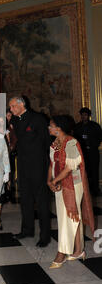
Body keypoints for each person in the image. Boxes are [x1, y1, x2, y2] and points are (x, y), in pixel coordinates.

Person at [48, 115, 95, 269]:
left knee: (68, 216)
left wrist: (56, 181)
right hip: (59, 183)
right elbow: (52, 163)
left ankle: (62, 252)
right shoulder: (55, 143)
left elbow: (70, 166)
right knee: (71, 216)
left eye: (51, 125)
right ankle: (78, 250)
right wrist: (50, 180)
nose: (49, 128)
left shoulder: (71, 142)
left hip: (73, 184)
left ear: (59, 128)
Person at [9, 96, 51, 247]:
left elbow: (47, 141)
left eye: (13, 106)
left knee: (41, 202)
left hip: (38, 165)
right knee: (25, 199)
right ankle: (27, 230)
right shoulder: (14, 120)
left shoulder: (38, 119)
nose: (11, 109)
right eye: (10, 107)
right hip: (22, 165)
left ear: (22, 105)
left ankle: (45, 236)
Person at [74, 107, 102, 197]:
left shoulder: (95, 126)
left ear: (88, 116)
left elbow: (99, 138)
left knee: (94, 171)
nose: (83, 117)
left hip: (93, 152)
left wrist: (92, 145)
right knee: (84, 172)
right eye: (82, 115)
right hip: (82, 153)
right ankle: (85, 190)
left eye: (85, 115)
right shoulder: (77, 127)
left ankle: (95, 190)